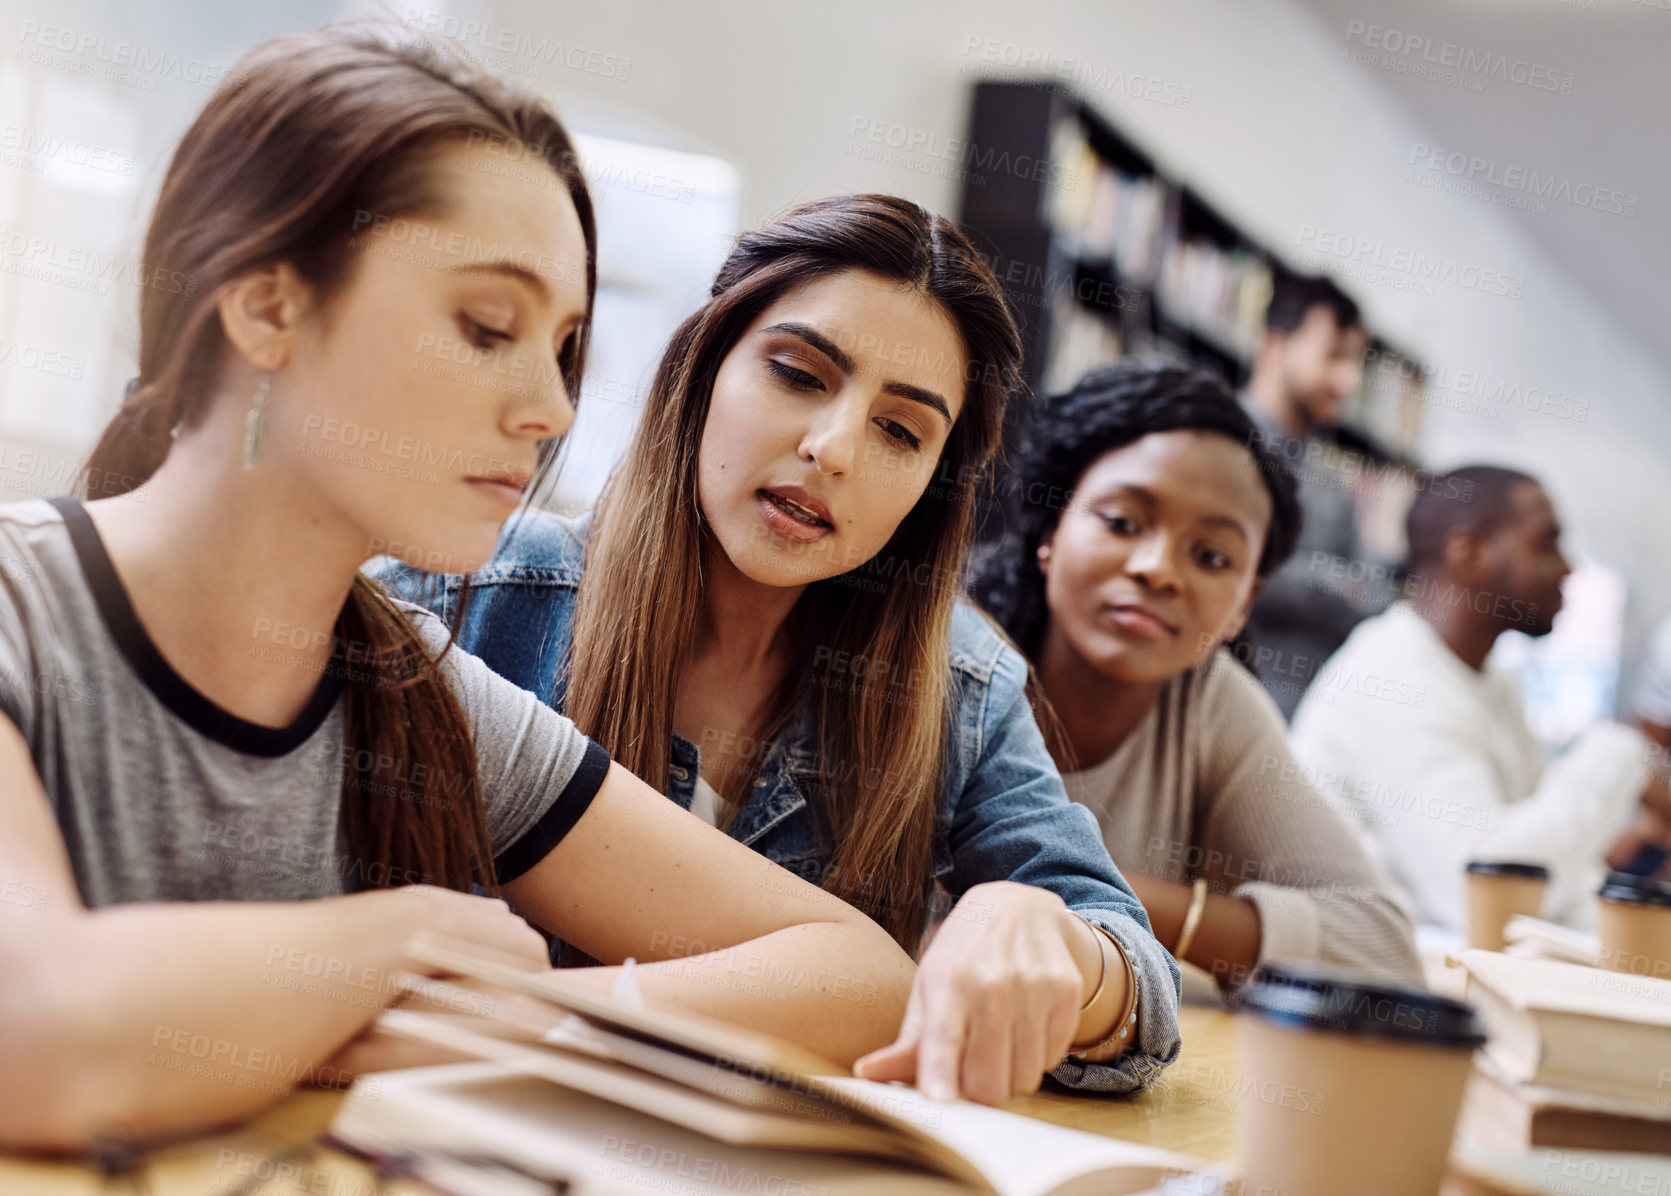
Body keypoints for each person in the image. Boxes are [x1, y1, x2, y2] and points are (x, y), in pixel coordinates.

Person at [0, 26, 922, 1151]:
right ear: (268, 306)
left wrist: (537, 1023)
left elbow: (860, 971)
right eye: (488, 327)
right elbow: (38, 1037)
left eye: (565, 345)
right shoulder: (22, 616)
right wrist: (399, 946)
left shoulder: (417, 688)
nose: (550, 408)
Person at [377, 195, 1184, 1104]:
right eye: (798, 374)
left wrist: (1047, 937)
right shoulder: (465, 590)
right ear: (706, 365)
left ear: (934, 485)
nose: (832, 448)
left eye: (900, 431)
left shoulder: (959, 685)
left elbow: (1141, 992)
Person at [969, 361, 1421, 989]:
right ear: (1049, 530)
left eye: (1210, 556)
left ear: (1243, 602)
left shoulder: (1208, 702)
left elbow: (1383, 951)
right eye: (1123, 522)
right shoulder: (941, 646)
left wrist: (1097, 900)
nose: (1158, 569)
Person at [1290, 466, 1663, 943]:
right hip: (1373, 995)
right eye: (1546, 544)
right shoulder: (1393, 675)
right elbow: (1488, 894)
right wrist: (1618, 754)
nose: (1568, 569)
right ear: (1468, 553)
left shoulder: (1493, 683)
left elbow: (1559, 880)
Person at [1239, 273, 1385, 719]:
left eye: (1356, 362)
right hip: (1231, 704)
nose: (1348, 381)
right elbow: (1238, 568)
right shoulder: (1218, 443)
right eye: (1333, 356)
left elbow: (1375, 591)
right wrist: (1337, 584)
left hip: (1307, 719)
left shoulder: (1332, 482)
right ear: (1274, 346)